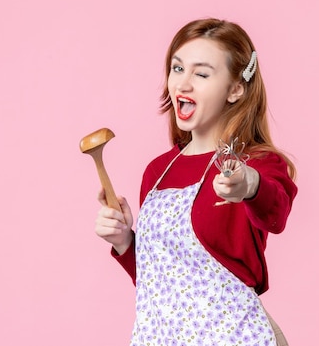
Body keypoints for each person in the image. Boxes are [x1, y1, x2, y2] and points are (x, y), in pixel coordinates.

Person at [94, 18, 298, 345]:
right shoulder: (158, 171)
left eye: (201, 74)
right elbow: (162, 286)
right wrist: (124, 242)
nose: (183, 84)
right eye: (177, 69)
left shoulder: (256, 164)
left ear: (236, 89)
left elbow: (276, 211)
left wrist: (249, 185)